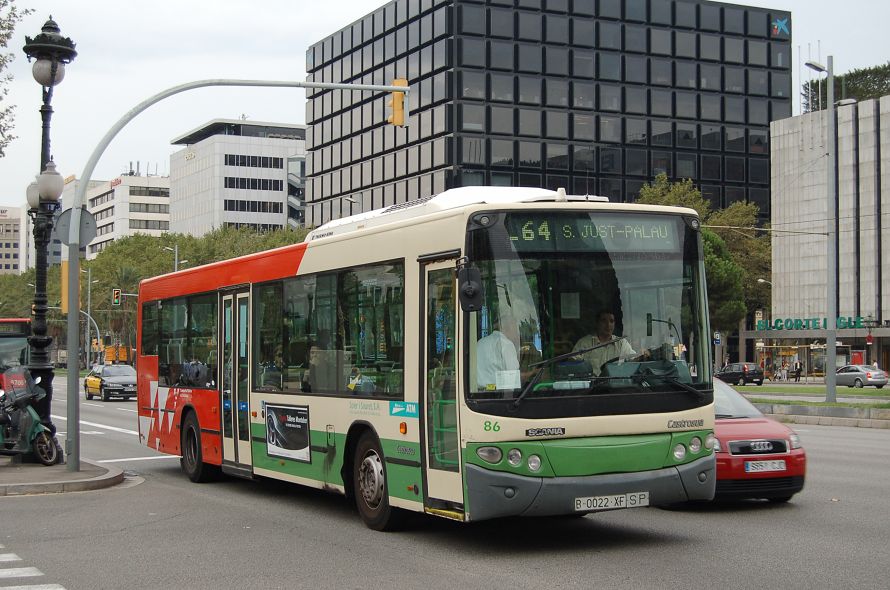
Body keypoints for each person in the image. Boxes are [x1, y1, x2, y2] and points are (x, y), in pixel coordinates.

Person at [572, 310, 642, 376]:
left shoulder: (621, 343)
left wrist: (642, 355)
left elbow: (633, 360)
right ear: (597, 323)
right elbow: (572, 362)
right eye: (604, 321)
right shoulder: (585, 343)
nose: (608, 325)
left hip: (616, 386)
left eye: (611, 321)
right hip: (593, 387)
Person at [475, 312, 521, 391]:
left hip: (478, 394)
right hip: (499, 395)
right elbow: (513, 376)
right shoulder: (506, 344)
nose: (517, 333)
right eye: (515, 328)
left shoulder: (480, 342)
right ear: (507, 328)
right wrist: (533, 373)